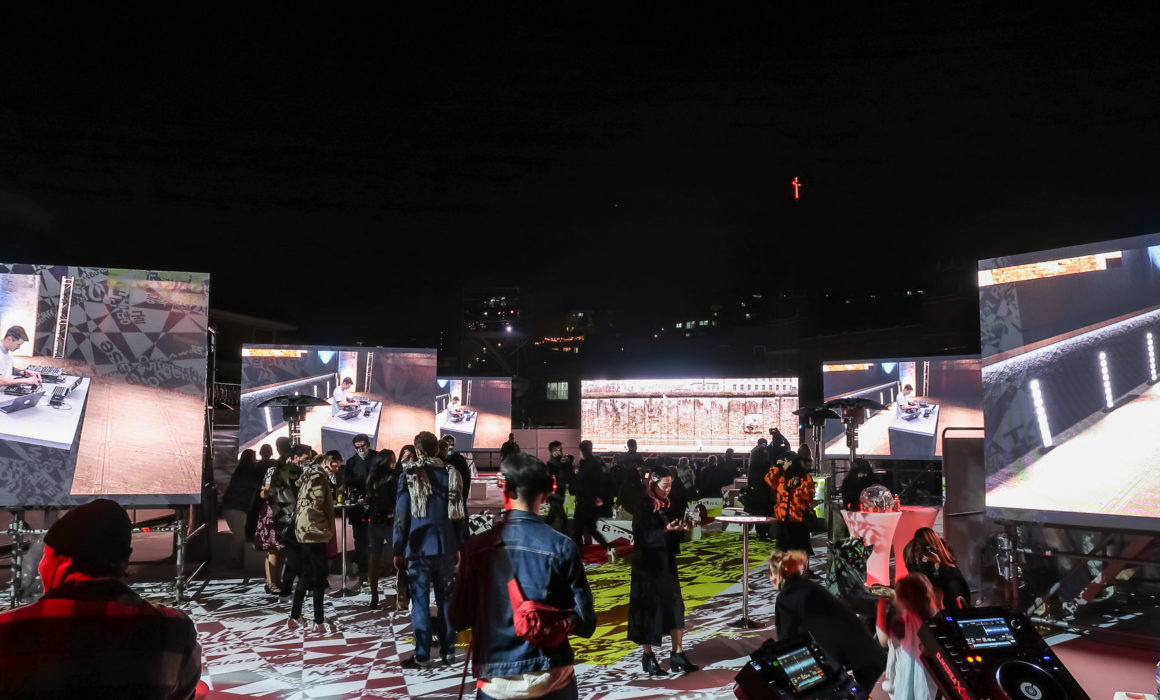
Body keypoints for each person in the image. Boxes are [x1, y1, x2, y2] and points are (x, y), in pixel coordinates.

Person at [0, 499, 201, 699]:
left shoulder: (7, 630)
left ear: (64, 562)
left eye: (46, 556)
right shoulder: (175, 629)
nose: (41, 566)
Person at [451, 453, 597, 700]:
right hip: (552, 676)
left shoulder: (477, 548)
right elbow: (587, 624)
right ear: (545, 493)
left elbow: (457, 619)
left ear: (504, 489)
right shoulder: (562, 547)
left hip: (496, 680)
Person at [394, 431, 467, 668]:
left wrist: (397, 548)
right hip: (446, 546)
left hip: (417, 548)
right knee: (446, 601)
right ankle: (448, 651)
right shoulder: (452, 474)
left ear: (417, 451)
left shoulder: (410, 475)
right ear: (437, 449)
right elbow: (459, 516)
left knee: (421, 602)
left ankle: (423, 655)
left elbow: (402, 517)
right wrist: (459, 545)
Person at [768, 549, 885, 690]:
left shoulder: (787, 597)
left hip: (858, 656)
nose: (770, 579)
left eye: (770, 573)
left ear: (778, 574)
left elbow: (787, 642)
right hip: (865, 653)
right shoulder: (808, 587)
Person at [628, 467, 698, 676]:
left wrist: (685, 527)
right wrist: (667, 530)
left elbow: (673, 533)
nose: (668, 489)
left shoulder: (668, 504)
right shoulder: (643, 506)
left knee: (676, 604)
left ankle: (678, 652)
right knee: (648, 609)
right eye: (664, 485)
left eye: (670, 485)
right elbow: (644, 538)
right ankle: (648, 656)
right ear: (653, 484)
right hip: (646, 565)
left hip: (666, 562)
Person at [289, 450, 340, 633]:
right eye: (334, 466)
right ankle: (318, 621)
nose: (336, 470)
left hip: (305, 530)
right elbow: (315, 502)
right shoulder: (318, 476)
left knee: (307, 573)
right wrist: (324, 521)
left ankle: (295, 616)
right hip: (313, 531)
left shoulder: (311, 474)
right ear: (326, 462)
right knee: (320, 576)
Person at [876, 573, 939, 700]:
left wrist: (881, 608)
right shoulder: (933, 617)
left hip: (915, 681)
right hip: (935, 678)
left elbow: (883, 641)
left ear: (903, 601)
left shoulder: (905, 623)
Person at [902, 527, 971, 610]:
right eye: (917, 549)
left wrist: (937, 565)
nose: (921, 553)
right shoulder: (916, 570)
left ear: (935, 550)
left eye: (926, 549)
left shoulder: (951, 573)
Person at [339, 433, 375, 584]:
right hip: (358, 508)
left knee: (374, 539)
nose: (361, 449)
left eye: (363, 446)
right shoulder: (351, 462)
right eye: (357, 447)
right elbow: (348, 484)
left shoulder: (378, 458)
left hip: (375, 507)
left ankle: (372, 570)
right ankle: (362, 572)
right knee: (360, 539)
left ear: (368, 443)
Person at [365, 449, 399, 610]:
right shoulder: (393, 479)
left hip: (375, 522)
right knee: (399, 557)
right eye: (393, 460)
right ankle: (402, 593)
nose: (395, 463)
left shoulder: (371, 479)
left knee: (374, 559)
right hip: (390, 522)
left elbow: (369, 501)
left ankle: (374, 596)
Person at [222, 448, 264, 568]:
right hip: (237, 507)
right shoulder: (249, 471)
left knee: (238, 535)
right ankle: (233, 560)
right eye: (254, 457)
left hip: (232, 506)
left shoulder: (240, 470)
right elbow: (256, 485)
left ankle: (237, 559)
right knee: (239, 536)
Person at [774, 455, 816, 556]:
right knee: (796, 547)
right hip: (791, 518)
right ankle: (800, 570)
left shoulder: (800, 477)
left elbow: (808, 496)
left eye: (785, 461)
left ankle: (794, 570)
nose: (783, 463)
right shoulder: (784, 477)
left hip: (791, 518)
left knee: (792, 547)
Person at [572, 440, 609, 550]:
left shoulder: (587, 466)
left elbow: (584, 485)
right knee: (591, 529)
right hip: (590, 502)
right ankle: (606, 547)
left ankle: (579, 555)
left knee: (578, 531)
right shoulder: (595, 464)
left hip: (585, 502)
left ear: (582, 451)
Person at [745, 444, 775, 541]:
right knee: (765, 514)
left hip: (755, 496)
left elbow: (750, 483)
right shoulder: (767, 468)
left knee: (758, 514)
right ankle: (764, 534)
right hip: (765, 496)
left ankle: (760, 534)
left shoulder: (752, 468)